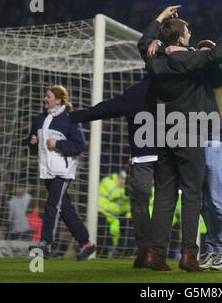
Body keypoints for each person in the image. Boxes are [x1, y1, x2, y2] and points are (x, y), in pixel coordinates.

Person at [138, 6, 222, 272]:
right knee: (192, 194)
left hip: (163, 132)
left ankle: (156, 254)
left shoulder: (155, 59)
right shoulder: (192, 61)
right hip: (190, 132)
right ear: (180, 39)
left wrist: (159, 22)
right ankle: (188, 255)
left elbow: (144, 42)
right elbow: (218, 52)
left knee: (164, 195)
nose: (191, 35)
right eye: (188, 32)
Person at [69, 76, 158, 267]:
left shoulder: (138, 91)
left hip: (151, 158)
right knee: (160, 202)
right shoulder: (177, 86)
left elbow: (104, 109)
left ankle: (149, 248)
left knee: (144, 202)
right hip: (167, 158)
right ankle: (153, 250)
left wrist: (72, 117)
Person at [28, 85, 95, 260]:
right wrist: (32, 142)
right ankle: (86, 243)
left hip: (62, 171)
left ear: (58, 100)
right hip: (47, 170)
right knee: (65, 208)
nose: (45, 99)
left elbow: (79, 146)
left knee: (52, 205)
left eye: (48, 96)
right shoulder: (40, 119)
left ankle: (45, 244)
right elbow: (34, 147)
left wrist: (58, 144)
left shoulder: (69, 119)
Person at [97, 171, 131, 258]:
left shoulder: (121, 187)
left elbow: (125, 206)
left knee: (109, 238)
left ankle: (111, 254)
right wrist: (124, 191)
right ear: (119, 178)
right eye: (123, 180)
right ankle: (100, 255)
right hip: (101, 213)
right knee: (103, 239)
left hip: (112, 217)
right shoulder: (109, 181)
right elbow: (115, 195)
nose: (123, 183)